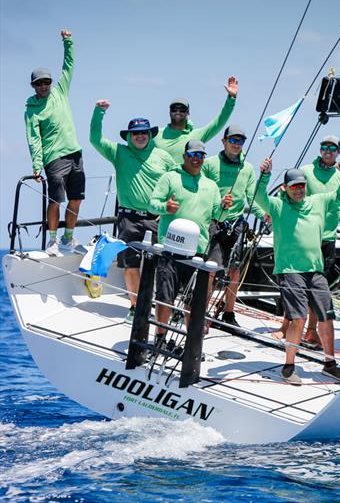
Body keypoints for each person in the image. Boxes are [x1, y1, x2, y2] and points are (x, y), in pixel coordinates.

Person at [254, 160, 340, 384]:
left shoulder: (318, 201)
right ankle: (289, 367)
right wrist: (265, 175)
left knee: (326, 317)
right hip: (290, 271)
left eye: (302, 185)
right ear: (285, 188)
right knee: (298, 318)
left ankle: (330, 364)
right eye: (294, 186)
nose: (299, 189)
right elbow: (259, 197)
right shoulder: (278, 207)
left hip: (315, 270)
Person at [89, 100, 175, 322]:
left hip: (158, 218)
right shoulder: (119, 152)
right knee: (131, 264)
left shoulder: (163, 157)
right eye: (135, 133)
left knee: (164, 266)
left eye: (144, 132)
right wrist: (99, 112)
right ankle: (135, 306)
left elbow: (176, 182)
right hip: (129, 218)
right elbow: (95, 139)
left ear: (150, 134)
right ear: (129, 136)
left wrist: (167, 207)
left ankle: (165, 308)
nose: (140, 136)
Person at [149, 140, 224, 343]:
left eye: (200, 155)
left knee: (194, 302)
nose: (196, 159)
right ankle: (160, 338)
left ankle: (192, 343)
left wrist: (225, 206)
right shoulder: (169, 177)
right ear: (184, 156)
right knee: (165, 297)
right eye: (192, 154)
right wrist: (166, 206)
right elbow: (152, 204)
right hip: (170, 249)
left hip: (197, 252)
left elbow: (219, 215)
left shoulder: (211, 186)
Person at [24, 29, 85, 256]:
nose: (44, 85)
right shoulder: (32, 110)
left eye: (47, 81)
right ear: (33, 85)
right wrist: (37, 166)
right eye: (39, 83)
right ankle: (52, 241)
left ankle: (68, 239)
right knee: (56, 200)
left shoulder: (60, 91)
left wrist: (68, 41)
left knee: (76, 199)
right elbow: (34, 139)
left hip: (75, 153)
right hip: (54, 158)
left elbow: (68, 65)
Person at [202, 125, 267, 326]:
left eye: (240, 141)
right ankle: (201, 312)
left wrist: (264, 215)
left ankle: (229, 314)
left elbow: (251, 197)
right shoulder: (210, 164)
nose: (236, 144)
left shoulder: (247, 168)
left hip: (237, 225)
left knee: (234, 271)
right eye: (232, 140)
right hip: (214, 222)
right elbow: (202, 191)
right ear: (224, 141)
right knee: (210, 270)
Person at [299, 135, 340, 348]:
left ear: (338, 151)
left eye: (333, 148)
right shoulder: (305, 170)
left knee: (318, 286)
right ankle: (288, 327)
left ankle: (311, 331)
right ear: (320, 149)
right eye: (325, 147)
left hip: (328, 239)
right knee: (297, 283)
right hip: (304, 236)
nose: (328, 150)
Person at [154, 77, 238, 164]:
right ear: (169, 112)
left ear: (188, 113)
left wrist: (231, 98)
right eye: (174, 109)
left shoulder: (196, 136)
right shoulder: (156, 134)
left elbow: (219, 122)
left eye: (182, 109)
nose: (178, 112)